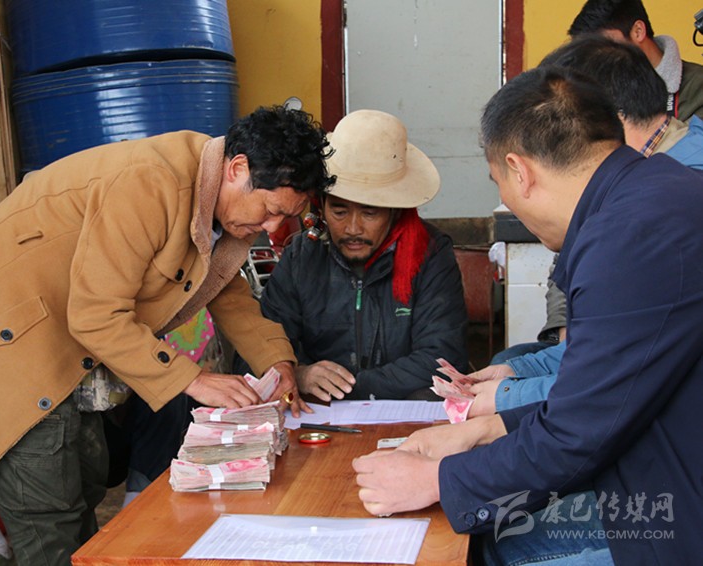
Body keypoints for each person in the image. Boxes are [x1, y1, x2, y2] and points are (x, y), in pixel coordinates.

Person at [0, 105, 334, 565]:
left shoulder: (215, 196)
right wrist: (195, 380)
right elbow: (96, 316)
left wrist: (277, 362)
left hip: (58, 344)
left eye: (286, 218)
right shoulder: (151, 183)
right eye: (272, 211)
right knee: (50, 520)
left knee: (78, 497)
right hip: (5, 348)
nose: (272, 228)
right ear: (237, 169)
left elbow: (224, 289)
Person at [353, 66, 703, 564]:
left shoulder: (627, 238)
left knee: (493, 547)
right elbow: (600, 393)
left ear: (519, 171)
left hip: (676, 510)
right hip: (660, 477)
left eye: (498, 182)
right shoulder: (652, 195)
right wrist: (481, 430)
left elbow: (579, 431)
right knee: (497, 535)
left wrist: (437, 480)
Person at [470, 34, 703, 417]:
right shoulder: (639, 183)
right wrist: (520, 374)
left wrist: (503, 401)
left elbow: (608, 391)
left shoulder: (649, 211)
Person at [252, 109, 469, 402]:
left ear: (395, 211)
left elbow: (443, 358)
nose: (353, 228)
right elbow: (257, 350)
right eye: (339, 211)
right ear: (321, 205)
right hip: (318, 416)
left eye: (370, 212)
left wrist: (348, 388)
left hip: (403, 412)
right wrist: (298, 374)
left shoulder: (430, 253)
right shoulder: (301, 257)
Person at [569, 0, 703, 122]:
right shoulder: (599, 97)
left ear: (638, 31)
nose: (598, 59)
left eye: (604, 45)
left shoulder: (697, 85)